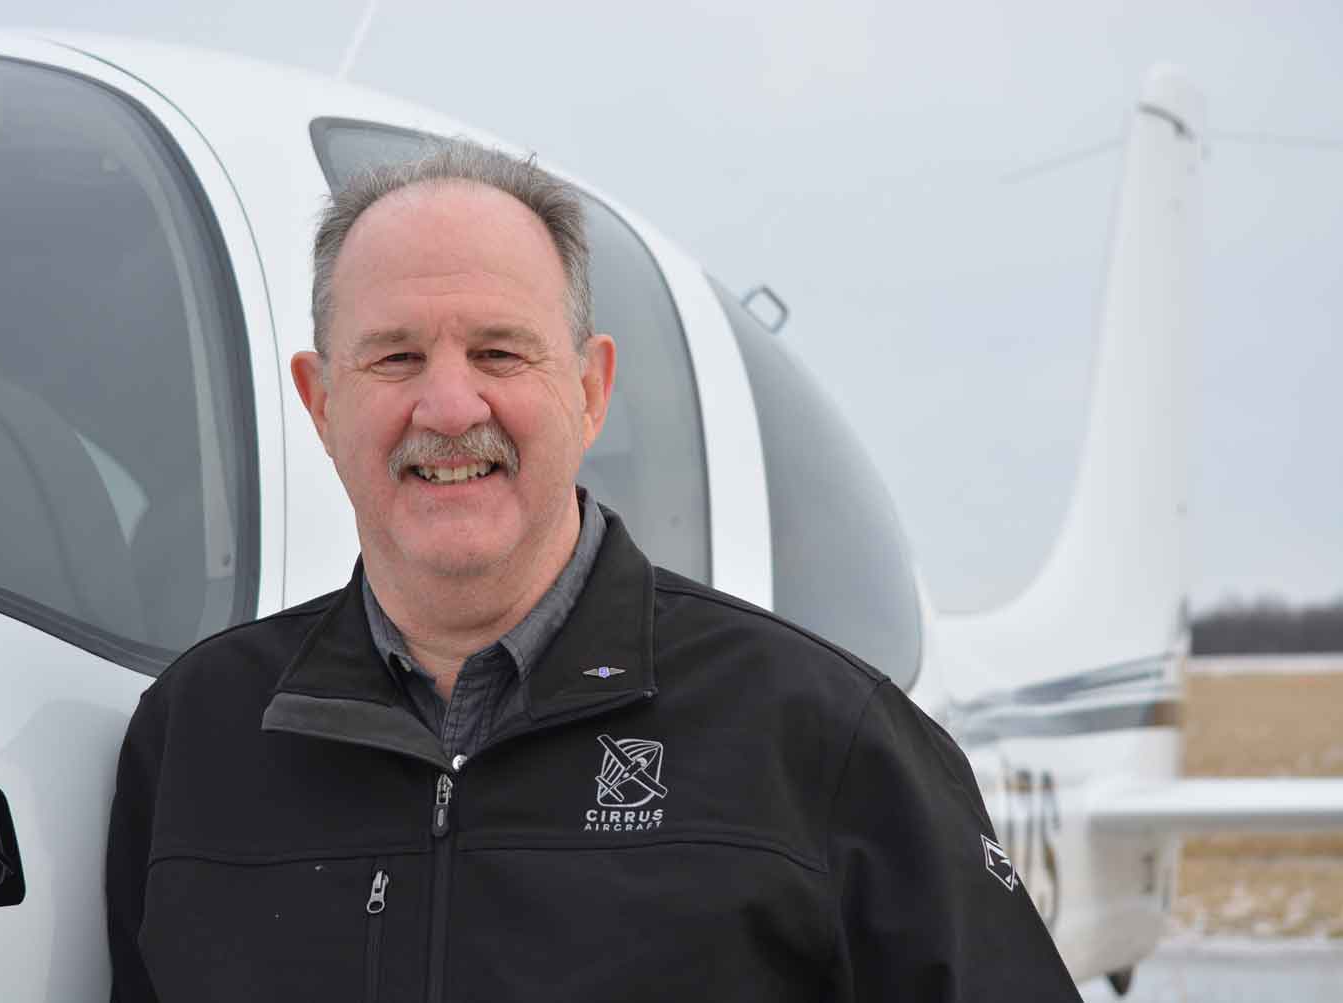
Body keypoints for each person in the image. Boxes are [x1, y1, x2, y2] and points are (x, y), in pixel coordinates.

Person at [105, 139, 1081, 1001]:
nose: (449, 407)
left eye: (499, 351)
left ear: (591, 389)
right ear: (322, 404)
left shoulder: (820, 742)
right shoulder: (196, 739)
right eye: (396, 358)